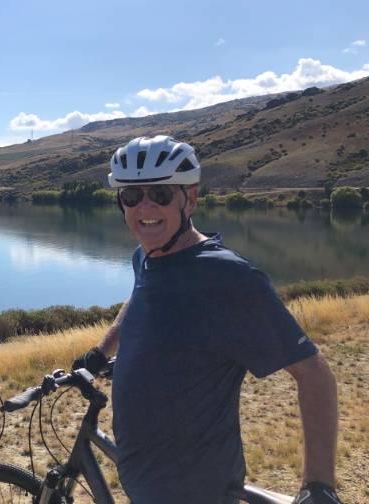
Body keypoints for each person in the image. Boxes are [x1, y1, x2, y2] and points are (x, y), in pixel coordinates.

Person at [73, 136, 342, 504]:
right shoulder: (147, 256)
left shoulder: (229, 278)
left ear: (191, 198)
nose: (145, 207)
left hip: (195, 488)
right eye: (132, 196)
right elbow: (139, 296)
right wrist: (99, 353)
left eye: (161, 194)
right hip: (141, 476)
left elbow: (315, 375)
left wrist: (318, 486)